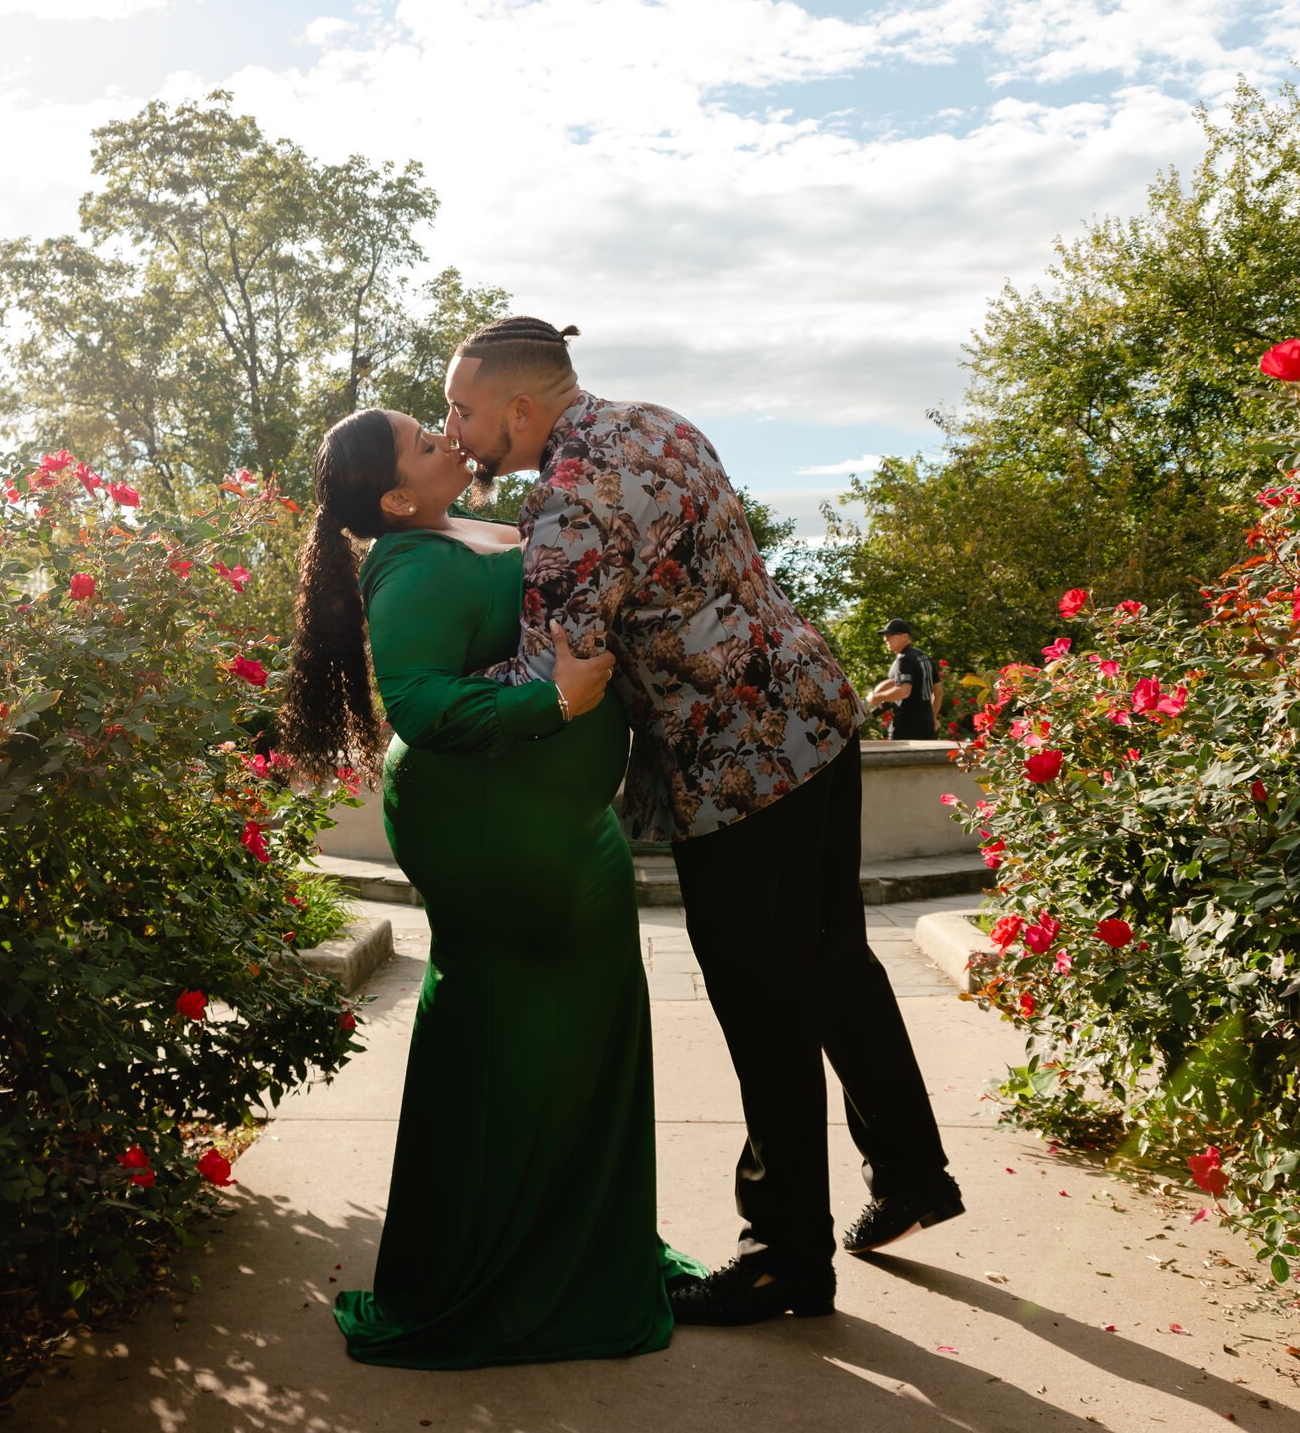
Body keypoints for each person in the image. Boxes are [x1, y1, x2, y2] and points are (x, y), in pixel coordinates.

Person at [441, 316, 963, 1328]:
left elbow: (560, 669)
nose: (455, 429)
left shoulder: (564, 496)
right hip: (814, 708)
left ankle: (782, 1259)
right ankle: (908, 1172)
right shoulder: (654, 422)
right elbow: (640, 560)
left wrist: (432, 691)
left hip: (737, 764)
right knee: (831, 960)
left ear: (517, 406)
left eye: (464, 409)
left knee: (761, 1001)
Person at [279, 405, 703, 1370]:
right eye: (425, 444)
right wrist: (556, 700)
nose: (444, 437)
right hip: (496, 833)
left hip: (549, 825)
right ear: (395, 496)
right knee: (516, 1033)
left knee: (565, 1032)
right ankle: (501, 1274)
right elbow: (421, 701)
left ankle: (567, 1246)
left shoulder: (454, 527)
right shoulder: (416, 564)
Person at [867, 618, 937, 742]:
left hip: (905, 729)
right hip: (927, 728)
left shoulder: (904, 660)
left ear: (904, 636)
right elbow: (939, 692)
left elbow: (904, 692)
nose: (885, 639)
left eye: (890, 635)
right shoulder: (924, 657)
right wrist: (933, 719)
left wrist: (876, 697)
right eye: (885, 636)